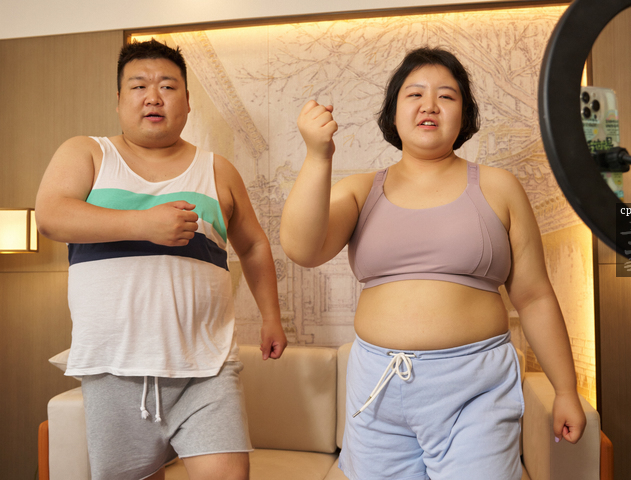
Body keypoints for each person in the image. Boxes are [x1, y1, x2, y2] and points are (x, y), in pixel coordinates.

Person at [280, 47, 586, 480]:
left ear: (465, 115)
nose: (429, 105)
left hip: (476, 387)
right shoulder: (361, 190)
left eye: (446, 96)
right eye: (414, 94)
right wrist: (317, 155)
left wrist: (566, 390)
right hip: (379, 385)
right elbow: (302, 248)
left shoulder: (499, 187)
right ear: (393, 113)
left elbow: (534, 297)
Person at [35, 39, 287, 480]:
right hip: (113, 368)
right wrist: (143, 224)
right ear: (119, 100)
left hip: (207, 367)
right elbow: (51, 216)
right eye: (139, 86)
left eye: (168, 86)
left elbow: (253, 246)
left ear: (187, 102)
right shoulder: (88, 153)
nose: (153, 97)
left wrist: (271, 317)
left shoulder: (218, 169)